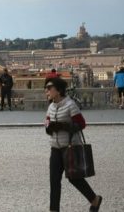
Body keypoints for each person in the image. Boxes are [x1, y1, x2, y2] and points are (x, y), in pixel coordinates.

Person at [44, 77, 102, 212]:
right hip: (55, 148)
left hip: (69, 147)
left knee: (74, 178)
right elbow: (47, 126)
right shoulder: (51, 107)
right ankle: (54, 210)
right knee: (54, 181)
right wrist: (49, 127)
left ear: (58, 90)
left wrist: (62, 126)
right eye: (46, 88)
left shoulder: (70, 105)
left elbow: (81, 124)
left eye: (49, 87)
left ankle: (95, 199)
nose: (46, 90)